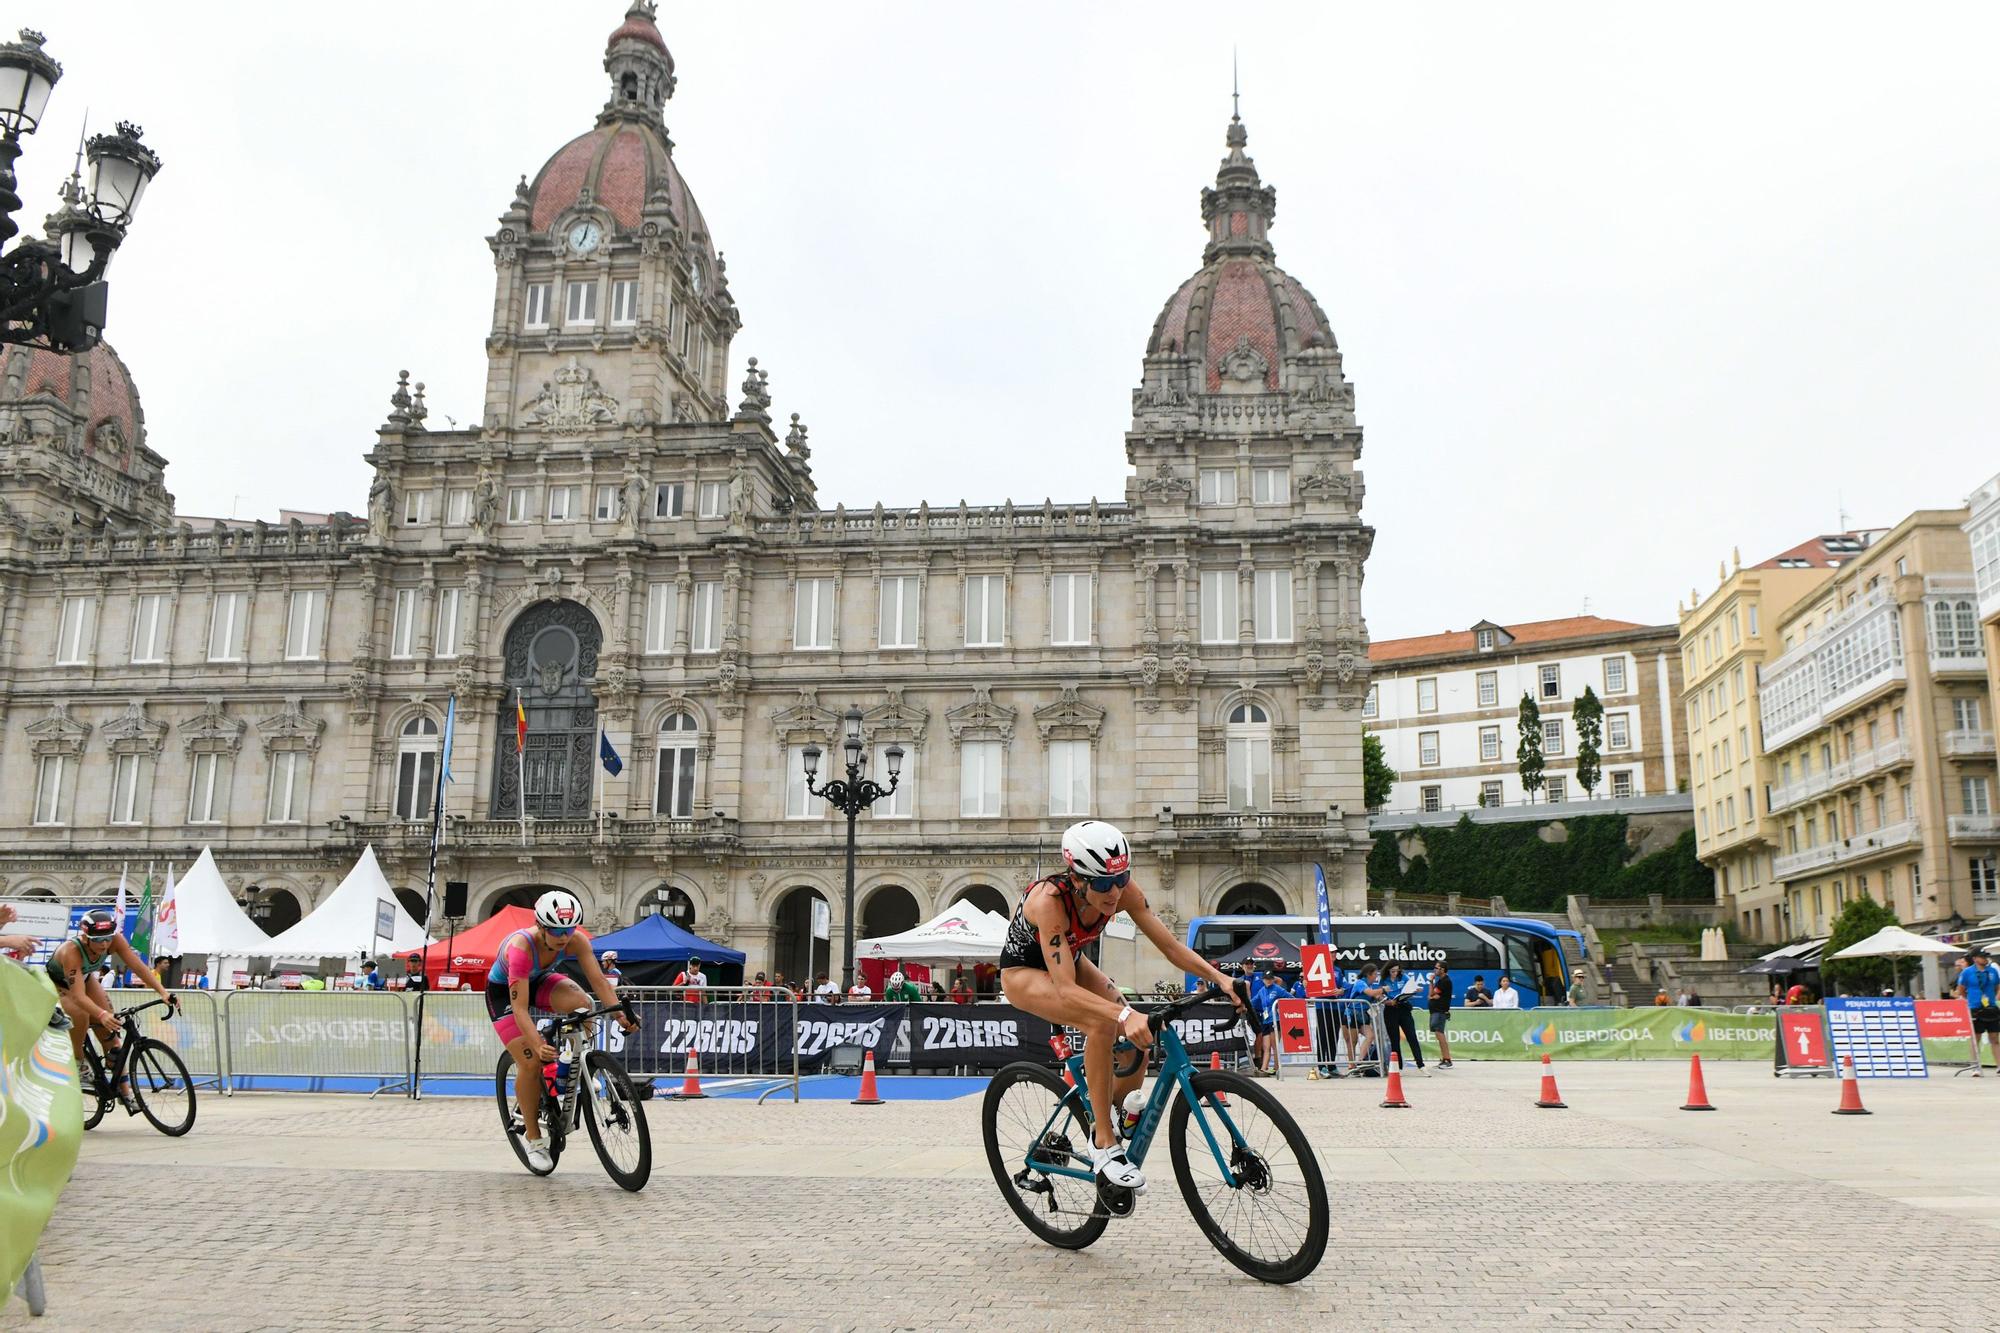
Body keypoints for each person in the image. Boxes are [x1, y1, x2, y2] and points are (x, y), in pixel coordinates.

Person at [998, 819, 1249, 1194]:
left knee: (1140, 1033)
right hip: (1024, 974)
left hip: (1072, 959)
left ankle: (1113, 1113)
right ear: (1077, 878)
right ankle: (1102, 1143)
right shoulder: (1049, 901)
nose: (1114, 891)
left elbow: (1170, 947)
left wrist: (1222, 979)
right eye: (1101, 884)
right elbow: (1065, 990)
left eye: (1121, 878)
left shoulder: (1121, 888)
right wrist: (1122, 1014)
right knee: (1102, 1021)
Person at [488, 890, 636, 1172]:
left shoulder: (576, 940)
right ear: (541, 926)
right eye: (555, 930)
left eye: (568, 929)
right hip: (505, 994)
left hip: (539, 980)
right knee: (531, 1062)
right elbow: (519, 1009)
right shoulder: (521, 947)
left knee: (584, 1004)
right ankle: (533, 1139)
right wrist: (535, 1043)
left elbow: (600, 982)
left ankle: (578, 1067)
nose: (563, 936)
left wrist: (619, 1014)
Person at [46, 908, 179, 1113]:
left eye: (107, 939)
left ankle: (125, 1092)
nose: (104, 944)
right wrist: (100, 1014)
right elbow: (79, 996)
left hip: (87, 977)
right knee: (81, 1014)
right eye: (98, 940)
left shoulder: (115, 940)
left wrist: (162, 992)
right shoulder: (71, 951)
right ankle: (79, 1061)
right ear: (85, 936)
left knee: (113, 1036)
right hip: (59, 984)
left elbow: (139, 967)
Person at [1380, 962, 1425, 1072]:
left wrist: (1416, 989)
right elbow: (1380, 995)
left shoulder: (1403, 977)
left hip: (1404, 1008)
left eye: (1397, 971)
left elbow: (1411, 987)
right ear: (1388, 970)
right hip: (1391, 1010)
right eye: (1392, 971)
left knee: (1412, 1036)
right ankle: (1398, 1066)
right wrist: (1387, 1002)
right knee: (1394, 1039)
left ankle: (1420, 1064)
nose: (1395, 973)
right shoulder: (1383, 980)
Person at [1962, 947, 2000, 1076]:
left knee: (1994, 1037)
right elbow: (1961, 989)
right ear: (1975, 959)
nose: (1985, 958)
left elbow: (1997, 987)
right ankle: (1975, 1066)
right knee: (1975, 1038)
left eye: (1986, 956)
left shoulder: (1993, 971)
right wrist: (1971, 1000)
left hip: (1991, 1007)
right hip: (1975, 1008)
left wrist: (1993, 999)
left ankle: (1999, 1066)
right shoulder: (1967, 972)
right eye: (1982, 956)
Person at [1427, 960, 1454, 1069]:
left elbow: (1432, 994)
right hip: (1435, 1011)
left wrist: (1432, 995)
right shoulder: (1440, 981)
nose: (1434, 970)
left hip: (1440, 1011)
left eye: (1436, 968)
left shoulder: (1445, 981)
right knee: (1438, 1034)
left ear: (1442, 970)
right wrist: (1432, 983)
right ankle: (1444, 1058)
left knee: (1440, 1034)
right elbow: (1431, 995)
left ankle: (1447, 1060)